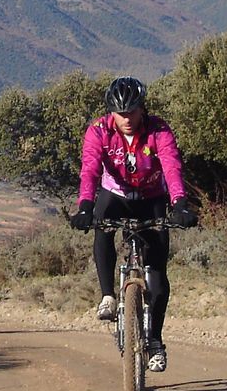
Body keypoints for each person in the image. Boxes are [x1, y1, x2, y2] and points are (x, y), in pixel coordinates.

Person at [69, 76, 197, 372]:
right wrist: (85, 206)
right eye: (120, 113)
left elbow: (171, 165)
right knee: (102, 228)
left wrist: (179, 204)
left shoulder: (158, 130)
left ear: (143, 109)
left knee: (158, 276)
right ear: (111, 112)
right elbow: (89, 169)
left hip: (151, 197)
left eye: (132, 111)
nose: (127, 118)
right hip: (114, 196)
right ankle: (108, 296)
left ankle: (155, 341)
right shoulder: (99, 131)